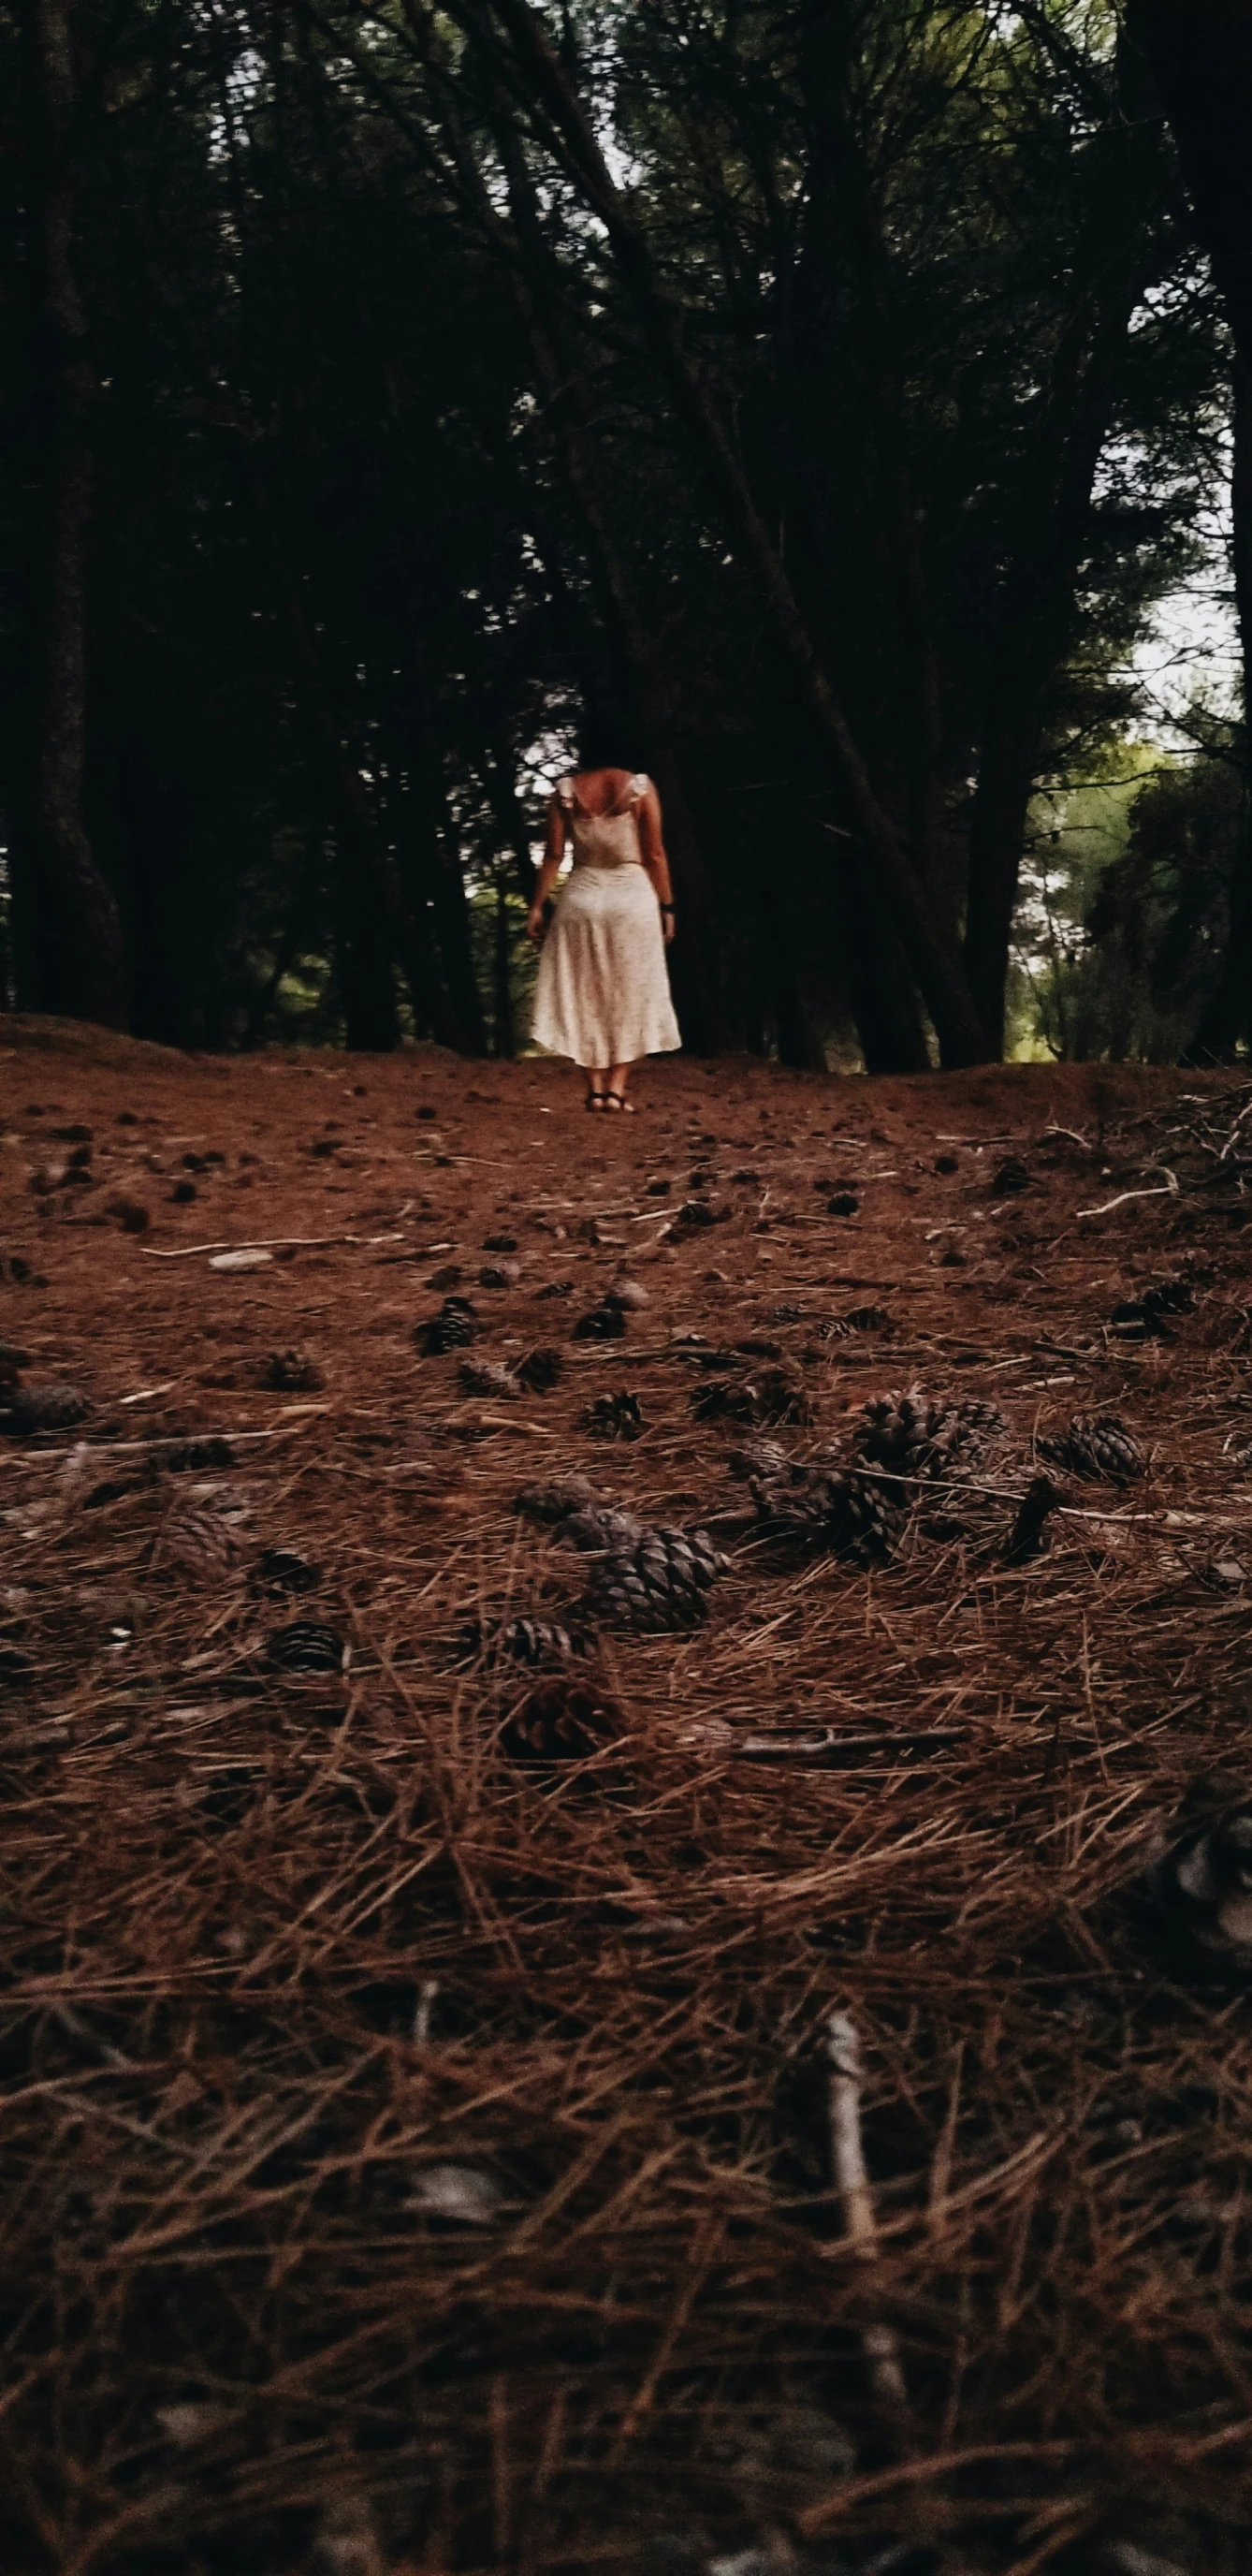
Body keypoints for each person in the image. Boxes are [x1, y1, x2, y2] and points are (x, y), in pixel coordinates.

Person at [526, 761, 681, 1109]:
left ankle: (594, 1089)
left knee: (584, 992)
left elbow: (553, 854)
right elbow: (654, 854)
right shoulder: (640, 788)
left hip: (581, 899)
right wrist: (667, 907)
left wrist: (537, 906)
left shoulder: (565, 793)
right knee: (632, 991)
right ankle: (616, 1088)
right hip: (632, 899)